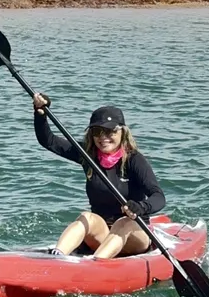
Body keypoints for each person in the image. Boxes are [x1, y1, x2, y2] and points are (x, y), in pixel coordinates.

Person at [33, 94, 166, 259]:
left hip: (134, 234)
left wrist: (141, 207)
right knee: (86, 217)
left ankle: (96, 264)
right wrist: (40, 113)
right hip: (103, 233)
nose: (103, 137)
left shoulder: (134, 160)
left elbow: (159, 197)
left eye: (110, 131)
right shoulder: (87, 155)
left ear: (122, 132)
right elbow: (48, 140)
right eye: (97, 131)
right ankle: (57, 257)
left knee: (123, 223)